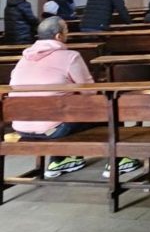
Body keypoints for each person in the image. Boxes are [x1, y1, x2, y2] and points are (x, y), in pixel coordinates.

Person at [9, 17, 141, 179]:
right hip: (53, 130)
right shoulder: (70, 57)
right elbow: (90, 92)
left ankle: (60, 160)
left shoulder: (23, 59)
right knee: (109, 109)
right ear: (58, 36)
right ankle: (117, 161)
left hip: (21, 127)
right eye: (66, 31)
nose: (68, 34)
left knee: (61, 111)